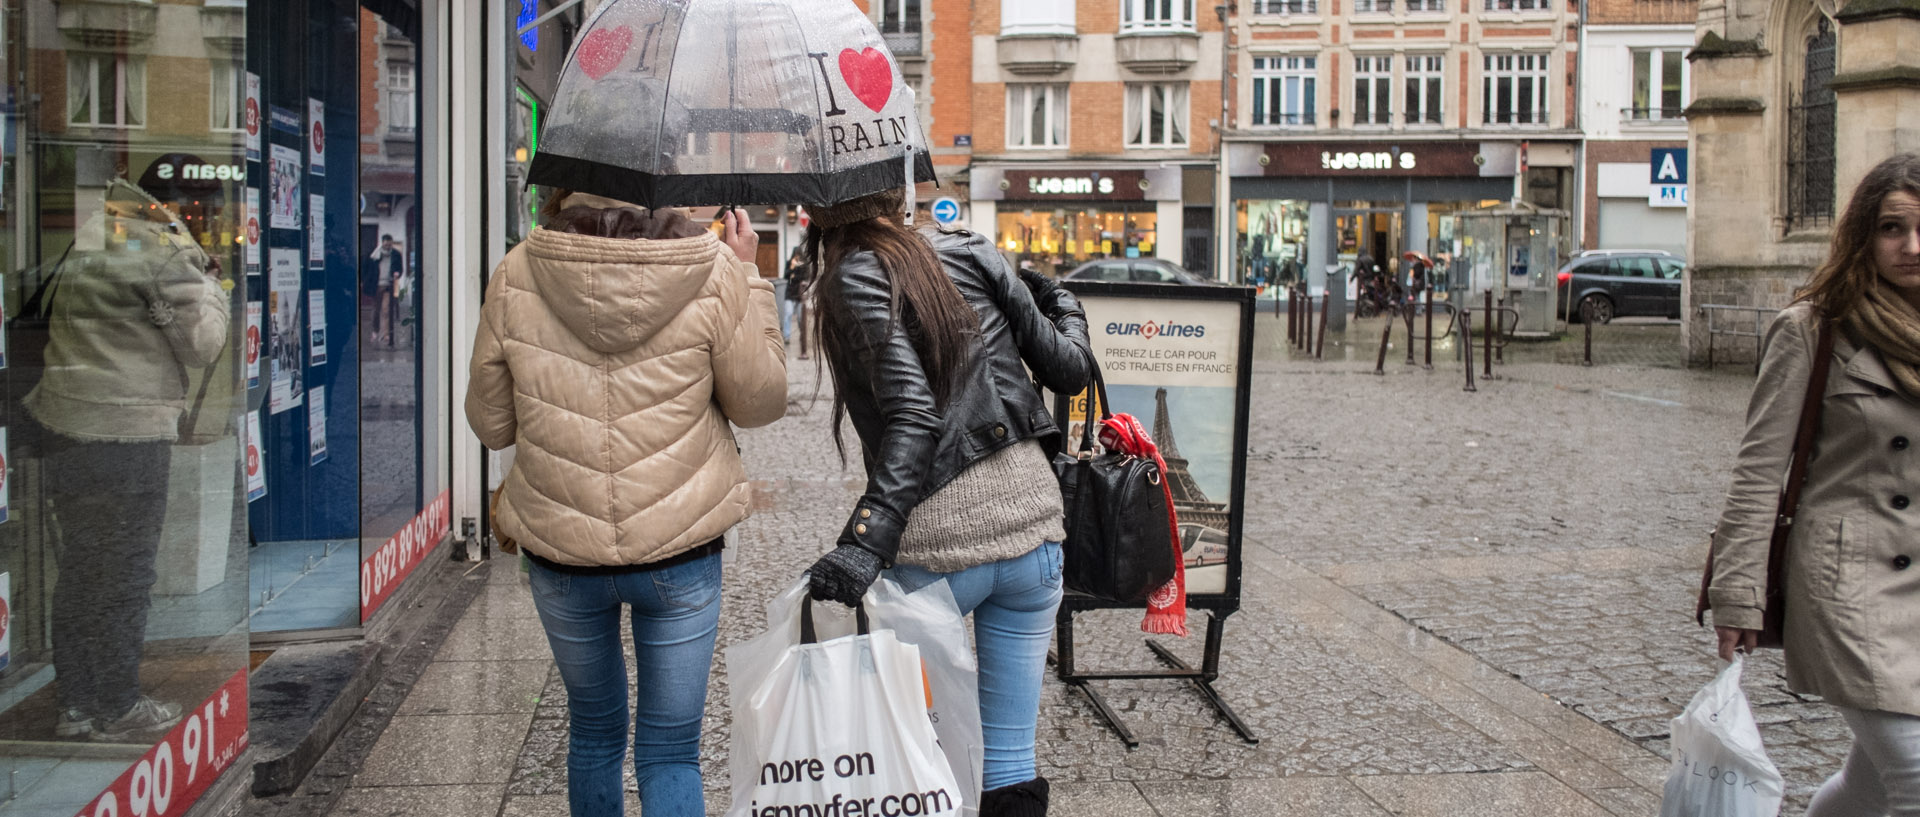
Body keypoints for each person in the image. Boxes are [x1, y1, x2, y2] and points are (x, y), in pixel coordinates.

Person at [465, 191, 787, 817]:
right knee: (670, 749)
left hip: (562, 550)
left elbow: (492, 424)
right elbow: (759, 403)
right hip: (681, 546)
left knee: (592, 734)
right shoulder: (712, 268)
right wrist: (748, 274)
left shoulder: (517, 270)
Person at [798, 187, 1092, 817]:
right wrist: (1064, 304)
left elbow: (913, 415)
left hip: (939, 550)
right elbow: (1072, 369)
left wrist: (861, 544)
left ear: (816, 212)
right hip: (1036, 532)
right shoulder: (971, 248)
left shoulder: (851, 273)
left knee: (916, 755)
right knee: (1010, 758)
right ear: (893, 192)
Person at [1707, 152, 1920, 817]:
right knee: (1914, 772)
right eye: (1892, 227)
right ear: (1862, 235)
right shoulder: (1814, 328)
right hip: (1846, 582)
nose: (1911, 245)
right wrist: (1737, 595)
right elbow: (1758, 470)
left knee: (1868, 786)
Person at [27, 181, 230, 742]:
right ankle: (116, 704)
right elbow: (203, 343)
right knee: (126, 573)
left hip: (66, 423)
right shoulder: (165, 251)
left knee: (80, 569)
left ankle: (75, 705)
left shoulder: (91, 235)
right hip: (128, 433)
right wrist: (213, 287)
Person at [368, 234, 404, 346]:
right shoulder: (375, 255)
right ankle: (375, 330)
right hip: (376, 285)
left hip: (388, 285)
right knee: (375, 310)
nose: (388, 246)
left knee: (386, 310)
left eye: (390, 244)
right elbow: (368, 269)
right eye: (386, 244)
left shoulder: (396, 254)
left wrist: (397, 274)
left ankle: (385, 334)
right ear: (382, 243)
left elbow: (400, 268)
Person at [783, 245, 810, 351]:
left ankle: (802, 336)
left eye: (798, 255)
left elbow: (805, 277)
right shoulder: (790, 263)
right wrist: (792, 268)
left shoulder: (804, 264)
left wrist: (794, 276)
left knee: (800, 317)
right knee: (788, 314)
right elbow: (786, 276)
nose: (797, 257)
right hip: (789, 293)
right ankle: (787, 337)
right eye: (795, 255)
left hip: (800, 294)